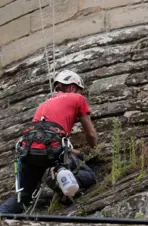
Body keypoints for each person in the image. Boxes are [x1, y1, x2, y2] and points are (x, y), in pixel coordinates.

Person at [0, 70, 98, 214]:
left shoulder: (43, 105)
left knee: (23, 197)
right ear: (72, 87)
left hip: (27, 150)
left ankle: (2, 215)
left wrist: (78, 153)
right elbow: (90, 133)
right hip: (53, 149)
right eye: (78, 90)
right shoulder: (77, 98)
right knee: (89, 176)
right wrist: (95, 149)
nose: (79, 93)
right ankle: (60, 180)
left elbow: (45, 141)